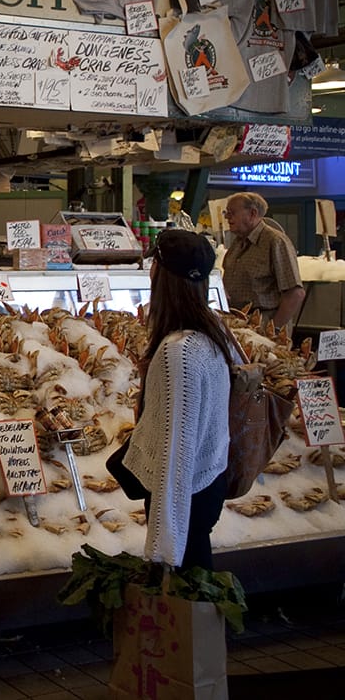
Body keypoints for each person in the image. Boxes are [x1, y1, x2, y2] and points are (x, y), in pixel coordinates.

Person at [120, 229, 234, 571]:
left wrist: (162, 548)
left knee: (183, 604)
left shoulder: (179, 350)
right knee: (198, 588)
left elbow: (176, 449)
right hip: (207, 481)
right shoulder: (212, 331)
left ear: (160, 274)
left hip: (187, 492)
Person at [221, 192, 304, 334]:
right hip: (237, 324)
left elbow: (295, 294)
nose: (227, 217)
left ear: (253, 213)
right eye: (226, 212)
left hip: (264, 324)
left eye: (232, 213)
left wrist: (273, 329)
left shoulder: (275, 242)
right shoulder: (237, 243)